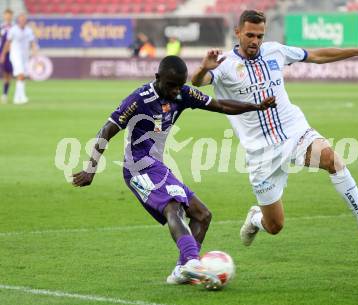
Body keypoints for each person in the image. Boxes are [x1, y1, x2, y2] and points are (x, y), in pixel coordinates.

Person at [191, 10, 358, 246]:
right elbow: (198, 82)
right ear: (237, 32)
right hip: (261, 151)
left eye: (260, 36)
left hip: (294, 132)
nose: (255, 41)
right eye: (250, 35)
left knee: (332, 159)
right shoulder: (224, 64)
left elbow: (316, 55)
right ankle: (255, 219)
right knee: (275, 226)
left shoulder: (275, 51)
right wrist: (202, 68)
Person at [72, 55, 276, 288]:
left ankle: (181, 269)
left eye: (179, 85)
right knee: (173, 206)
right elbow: (107, 129)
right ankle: (191, 261)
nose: (175, 91)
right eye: (170, 85)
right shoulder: (139, 99)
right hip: (137, 167)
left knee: (202, 215)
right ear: (158, 78)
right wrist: (91, 168)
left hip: (157, 166)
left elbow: (220, 105)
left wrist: (255, 106)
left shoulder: (182, 94)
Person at [0, 13, 38, 104]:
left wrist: (34, 53)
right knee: (20, 74)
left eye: (24, 20)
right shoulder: (13, 30)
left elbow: (32, 43)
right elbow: (7, 43)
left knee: (23, 76)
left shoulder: (28, 31)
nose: (22, 21)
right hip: (15, 55)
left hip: (25, 55)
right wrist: (3, 55)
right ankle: (20, 97)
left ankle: (18, 97)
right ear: (18, 21)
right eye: (21, 20)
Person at [0, 9, 13, 104]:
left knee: (9, 74)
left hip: (12, 53)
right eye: (6, 15)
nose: (8, 17)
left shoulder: (14, 27)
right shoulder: (1, 27)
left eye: (9, 15)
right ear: (4, 16)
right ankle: (4, 94)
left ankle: (5, 93)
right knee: (4, 73)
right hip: (2, 52)